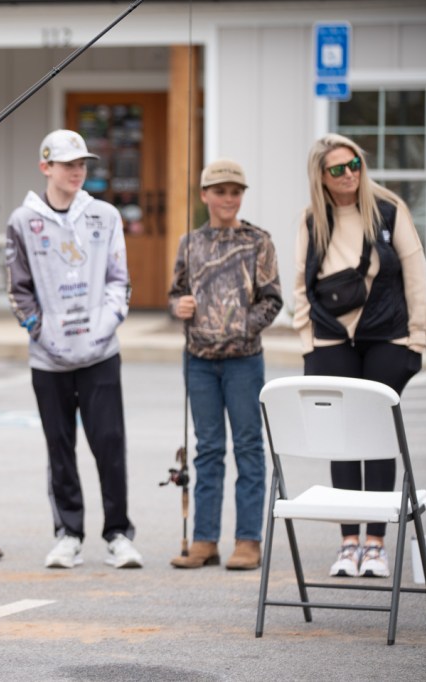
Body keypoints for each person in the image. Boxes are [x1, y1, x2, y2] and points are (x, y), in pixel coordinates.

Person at [5, 129, 141, 570]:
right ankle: (68, 534)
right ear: (46, 167)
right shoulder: (22, 221)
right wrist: (41, 332)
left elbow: (119, 279)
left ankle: (118, 533)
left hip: (100, 352)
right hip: (49, 358)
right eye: (68, 164)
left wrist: (104, 328)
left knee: (110, 443)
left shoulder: (105, 214)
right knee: (59, 446)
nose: (77, 171)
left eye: (82, 164)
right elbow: (18, 289)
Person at [293, 133, 426, 579]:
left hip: (388, 334)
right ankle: (348, 542)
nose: (349, 174)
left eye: (354, 164)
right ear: (321, 176)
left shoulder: (388, 209)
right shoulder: (312, 220)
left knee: (377, 433)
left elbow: (416, 272)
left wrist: (417, 336)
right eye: (338, 169)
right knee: (342, 439)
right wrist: (308, 341)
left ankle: (376, 544)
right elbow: (301, 284)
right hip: (332, 338)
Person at [167, 159, 283, 571]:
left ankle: (248, 540)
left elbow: (273, 300)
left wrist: (239, 328)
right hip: (198, 362)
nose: (228, 199)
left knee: (248, 447)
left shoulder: (258, 242)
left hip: (244, 362)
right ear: (205, 195)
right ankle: (204, 540)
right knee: (208, 449)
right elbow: (175, 294)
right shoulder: (190, 243)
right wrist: (178, 307)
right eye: (220, 191)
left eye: (235, 192)